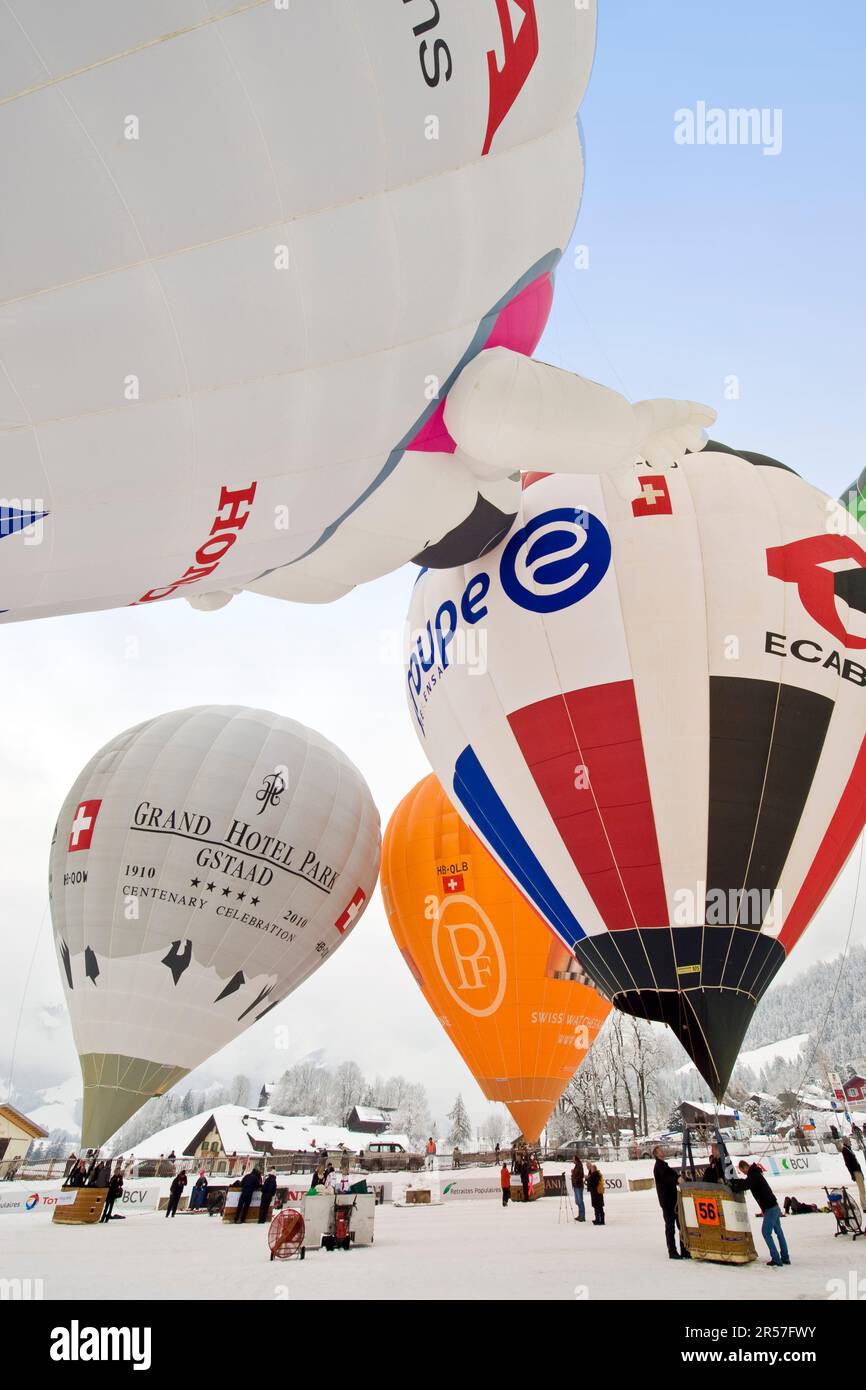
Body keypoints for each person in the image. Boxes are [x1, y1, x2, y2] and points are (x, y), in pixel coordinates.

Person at [731, 1160, 790, 1267]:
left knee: (766, 1232)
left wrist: (734, 1187)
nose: (743, 1173)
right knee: (779, 1233)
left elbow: (746, 1184)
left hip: (770, 1208)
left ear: (744, 1167)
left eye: (742, 1171)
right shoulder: (755, 1173)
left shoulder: (753, 1174)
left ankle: (776, 1259)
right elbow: (747, 1182)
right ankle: (785, 1257)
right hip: (774, 1206)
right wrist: (738, 1181)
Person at [653, 1146, 688, 1258]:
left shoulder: (664, 1165)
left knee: (680, 1225)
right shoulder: (659, 1166)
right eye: (661, 1151)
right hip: (667, 1201)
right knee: (670, 1226)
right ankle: (672, 1251)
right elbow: (666, 1177)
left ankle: (684, 1249)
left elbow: (672, 1175)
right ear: (657, 1154)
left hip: (672, 1200)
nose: (663, 1152)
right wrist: (676, 1179)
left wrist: (681, 1178)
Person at [841, 1139, 866, 1210]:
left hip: (858, 1171)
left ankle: (864, 1205)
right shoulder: (845, 1150)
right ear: (846, 1142)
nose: (850, 1142)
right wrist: (852, 1174)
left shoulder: (848, 1149)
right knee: (862, 1190)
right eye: (849, 1141)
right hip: (855, 1172)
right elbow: (848, 1164)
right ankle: (864, 1206)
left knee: (862, 1189)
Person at [571, 1155, 586, 1222]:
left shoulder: (580, 1166)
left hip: (579, 1186)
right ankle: (580, 1215)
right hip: (575, 1185)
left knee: (580, 1201)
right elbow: (576, 1175)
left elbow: (581, 1175)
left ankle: (582, 1216)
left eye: (573, 1159)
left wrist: (575, 1178)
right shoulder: (576, 1166)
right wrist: (573, 1173)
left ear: (576, 1159)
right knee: (577, 1201)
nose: (572, 1160)